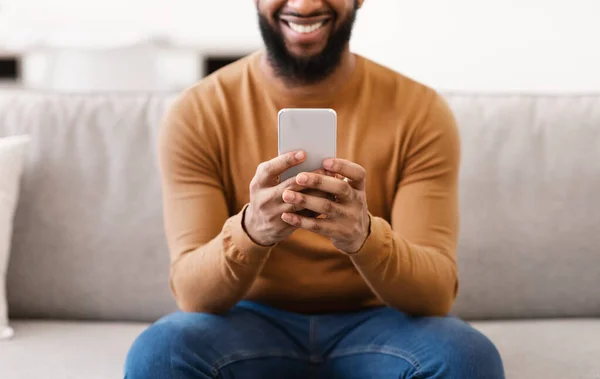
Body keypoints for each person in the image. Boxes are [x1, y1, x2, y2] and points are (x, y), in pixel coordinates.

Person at [125, 0, 505, 378]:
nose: (304, 5)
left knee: (467, 357)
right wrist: (251, 230)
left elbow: (435, 295)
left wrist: (363, 237)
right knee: (159, 354)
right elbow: (193, 295)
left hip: (380, 322)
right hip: (246, 322)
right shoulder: (198, 112)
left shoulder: (420, 112)